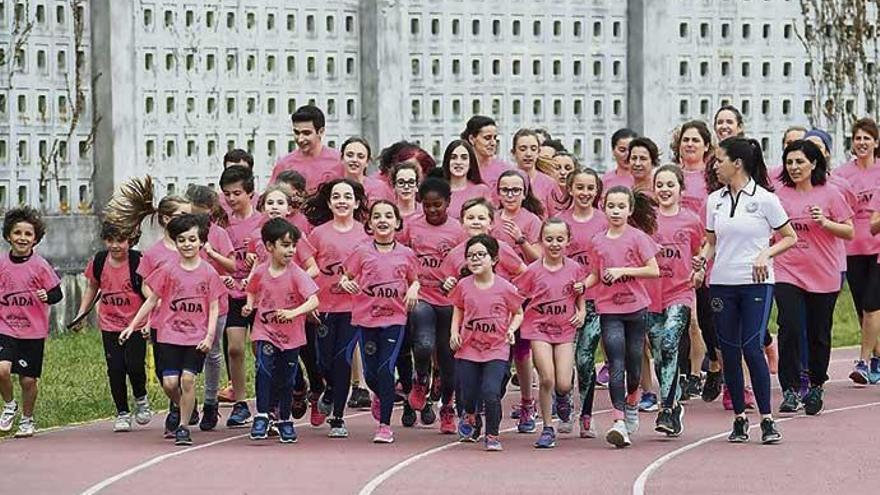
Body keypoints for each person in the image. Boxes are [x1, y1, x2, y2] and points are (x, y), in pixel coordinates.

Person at [695, 137, 797, 444]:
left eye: (719, 159)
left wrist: (765, 254)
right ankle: (739, 418)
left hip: (756, 283)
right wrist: (701, 262)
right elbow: (712, 242)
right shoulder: (715, 200)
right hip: (722, 284)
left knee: (752, 345)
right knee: (729, 350)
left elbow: (789, 237)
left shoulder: (765, 199)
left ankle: (766, 419)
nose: (715, 165)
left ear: (736, 163)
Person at [119, 214, 225, 446]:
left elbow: (214, 306)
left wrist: (209, 336)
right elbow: (151, 300)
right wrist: (132, 325)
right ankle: (186, 404)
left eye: (192, 239)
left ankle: (183, 427)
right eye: (182, 240)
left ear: (200, 242)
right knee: (169, 383)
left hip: (196, 337)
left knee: (187, 380)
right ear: (175, 243)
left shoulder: (208, 272)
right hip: (168, 335)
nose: (187, 244)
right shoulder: (167, 270)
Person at [104, 176, 194, 435]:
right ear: (166, 219)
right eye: (181, 214)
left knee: (185, 373)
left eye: (189, 215)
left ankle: (181, 412)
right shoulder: (153, 253)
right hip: (162, 320)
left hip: (190, 321)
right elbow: (145, 285)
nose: (187, 219)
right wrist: (155, 306)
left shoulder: (191, 246)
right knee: (167, 378)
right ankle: (180, 403)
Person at [775, 140, 853, 415]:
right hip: (787, 271)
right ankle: (790, 389)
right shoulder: (779, 195)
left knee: (819, 333)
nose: (794, 167)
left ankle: (817, 384)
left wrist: (825, 222)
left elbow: (849, 231)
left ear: (814, 163)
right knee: (790, 328)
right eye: (789, 162)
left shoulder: (830, 194)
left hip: (824, 273)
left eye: (799, 162)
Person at [582, 186, 659, 448]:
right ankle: (618, 421)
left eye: (621, 206)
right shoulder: (598, 241)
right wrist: (583, 285)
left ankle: (633, 399)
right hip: (609, 310)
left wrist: (622, 270)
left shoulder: (638, 238)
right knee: (615, 362)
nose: (615, 211)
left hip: (636, 309)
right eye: (611, 206)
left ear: (629, 209)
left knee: (634, 364)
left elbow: (653, 270)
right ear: (604, 208)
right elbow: (595, 273)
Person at [338, 200, 420, 443]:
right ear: (370, 224)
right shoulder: (362, 251)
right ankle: (379, 393)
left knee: (386, 369)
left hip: (394, 319)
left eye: (388, 216)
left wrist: (414, 288)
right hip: (366, 319)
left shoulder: (406, 253)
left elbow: (415, 279)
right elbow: (346, 276)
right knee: (371, 374)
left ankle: (385, 425)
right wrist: (345, 282)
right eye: (377, 216)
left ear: (397, 222)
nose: (382, 220)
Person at [243, 218, 319, 443]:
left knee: (286, 379)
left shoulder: (297, 273)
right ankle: (262, 415)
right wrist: (249, 304)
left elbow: (313, 300)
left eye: (293, 246)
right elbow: (251, 289)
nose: (290, 250)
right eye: (285, 245)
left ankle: (284, 420)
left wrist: (294, 313)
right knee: (263, 370)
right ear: (269, 247)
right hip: (264, 331)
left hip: (291, 336)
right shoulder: (260, 271)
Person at [304, 179, 370, 437]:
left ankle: (339, 418)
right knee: (322, 360)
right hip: (324, 307)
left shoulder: (365, 234)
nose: (342, 201)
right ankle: (329, 389)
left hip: (353, 309)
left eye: (347, 196)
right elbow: (309, 270)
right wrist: (309, 303)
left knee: (343, 359)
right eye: (336, 197)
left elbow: (371, 269)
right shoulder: (318, 234)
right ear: (330, 203)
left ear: (355, 202)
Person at [399, 178, 465, 432]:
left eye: (437, 205)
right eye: (427, 206)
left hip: (449, 302)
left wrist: (456, 278)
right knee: (424, 344)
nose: (432, 210)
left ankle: (447, 407)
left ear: (448, 203)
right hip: (422, 296)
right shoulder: (412, 226)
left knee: (449, 362)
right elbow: (400, 254)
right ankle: (421, 379)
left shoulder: (458, 230)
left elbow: (467, 264)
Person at [74, 222, 152, 433]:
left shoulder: (139, 262)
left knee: (135, 366)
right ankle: (122, 412)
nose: (116, 245)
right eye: (111, 240)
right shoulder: (99, 261)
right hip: (109, 324)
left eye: (121, 240)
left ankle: (141, 397)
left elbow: (150, 295)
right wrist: (81, 314)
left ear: (131, 241)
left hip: (135, 324)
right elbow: (92, 287)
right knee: (115, 369)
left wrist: (150, 320)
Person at [450, 234, 525, 452]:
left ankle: (492, 434)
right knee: (468, 394)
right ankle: (470, 415)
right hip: (468, 348)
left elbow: (518, 312)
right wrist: (454, 333)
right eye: (471, 256)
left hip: (496, 348)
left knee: (491, 392)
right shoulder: (463, 286)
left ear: (493, 260)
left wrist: (511, 330)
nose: (475, 259)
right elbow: (458, 309)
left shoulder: (505, 287)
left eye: (481, 255)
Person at [516, 218, 585, 448]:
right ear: (541, 241)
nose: (554, 244)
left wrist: (582, 312)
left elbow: (580, 293)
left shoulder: (575, 268)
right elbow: (518, 297)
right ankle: (547, 427)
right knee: (547, 378)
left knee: (563, 383)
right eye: (549, 239)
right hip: (538, 329)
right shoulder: (532, 271)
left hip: (564, 329)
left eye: (559, 239)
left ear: (567, 241)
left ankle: (563, 397)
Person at [647, 165, 703, 437]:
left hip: (680, 292)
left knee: (670, 341)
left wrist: (700, 269)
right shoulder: (646, 220)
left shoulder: (691, 220)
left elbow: (702, 248)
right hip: (650, 294)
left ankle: (666, 408)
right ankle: (675, 399)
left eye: (671, 184)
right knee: (659, 353)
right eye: (660, 184)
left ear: (681, 189)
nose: (665, 189)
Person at [0, 207, 63, 438]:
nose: (22, 238)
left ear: (35, 239)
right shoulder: (2, 265)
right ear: (8, 236)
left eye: (28, 234)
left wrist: (48, 296)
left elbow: (57, 293)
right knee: (2, 369)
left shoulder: (40, 265)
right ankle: (9, 405)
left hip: (32, 332)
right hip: (5, 327)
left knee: (28, 380)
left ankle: (27, 419)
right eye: (17, 233)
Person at [558, 169, 608, 439]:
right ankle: (563, 403)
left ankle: (586, 415)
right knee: (561, 363)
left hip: (595, 302)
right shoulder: (558, 222)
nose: (585, 193)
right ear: (570, 189)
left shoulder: (604, 222)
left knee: (586, 358)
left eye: (591, 188)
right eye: (580, 187)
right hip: (563, 302)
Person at [835, 118, 880, 384]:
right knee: (864, 309)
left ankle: (863, 362)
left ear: (876, 142)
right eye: (858, 138)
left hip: (878, 250)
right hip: (852, 249)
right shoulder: (842, 175)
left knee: (872, 305)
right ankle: (876, 357)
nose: (862, 143)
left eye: (867, 138)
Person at [185, 185, 234, 431]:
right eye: (194, 213)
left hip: (216, 304)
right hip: (186, 306)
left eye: (203, 213)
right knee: (186, 353)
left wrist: (212, 254)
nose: (198, 218)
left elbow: (232, 266)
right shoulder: (182, 233)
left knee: (212, 354)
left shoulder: (219, 234)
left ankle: (211, 403)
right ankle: (187, 402)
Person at [220, 165, 264, 428]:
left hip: (259, 295)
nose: (232, 199)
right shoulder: (221, 223)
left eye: (237, 193)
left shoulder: (263, 221)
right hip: (233, 293)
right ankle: (240, 402)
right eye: (227, 194)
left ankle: (265, 400)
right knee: (235, 347)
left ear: (250, 193)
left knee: (261, 349)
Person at [270, 105, 343, 193]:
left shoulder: (339, 161)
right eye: (296, 133)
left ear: (321, 132)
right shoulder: (284, 164)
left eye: (306, 133)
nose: (300, 139)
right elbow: (270, 197)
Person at [442, 140, 492, 219]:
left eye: (464, 158)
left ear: (470, 162)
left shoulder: (481, 190)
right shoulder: (438, 191)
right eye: (453, 157)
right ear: (447, 161)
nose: (458, 162)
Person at [460, 116, 512, 192]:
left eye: (495, 138)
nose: (493, 143)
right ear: (471, 139)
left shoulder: (506, 170)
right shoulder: (461, 169)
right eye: (487, 138)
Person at [342, 137, 392, 204]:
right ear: (342, 158)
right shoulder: (334, 187)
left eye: (360, 156)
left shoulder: (379, 188)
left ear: (367, 162)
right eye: (350, 155)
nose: (354, 160)